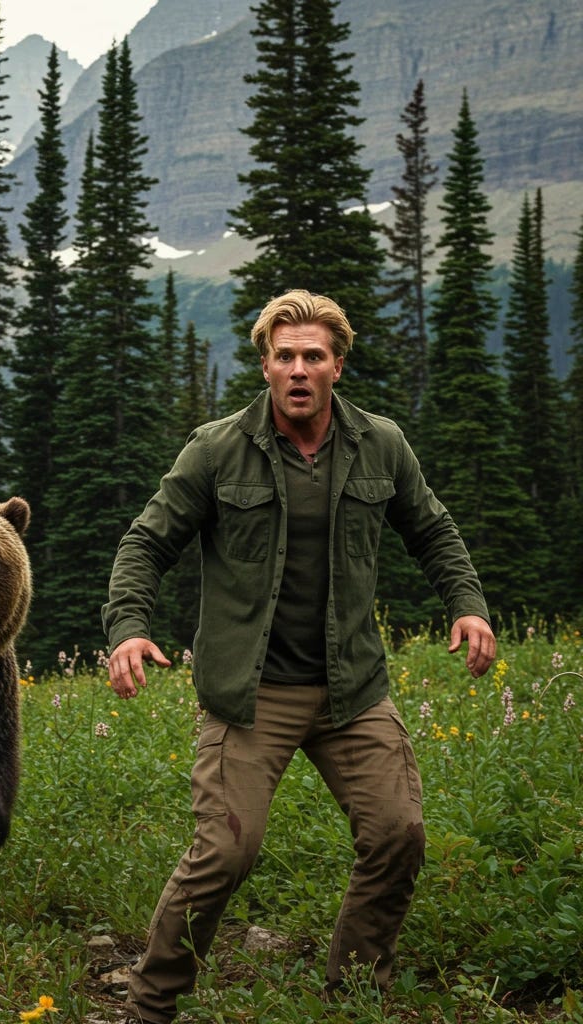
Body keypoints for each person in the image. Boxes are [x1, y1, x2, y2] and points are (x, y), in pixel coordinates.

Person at [102, 289, 495, 1023]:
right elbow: (145, 541)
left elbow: (434, 531)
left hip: (353, 688)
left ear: (337, 367)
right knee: (225, 853)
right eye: (285, 356)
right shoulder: (218, 448)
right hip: (250, 695)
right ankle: (151, 1005)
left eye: (314, 356)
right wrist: (127, 627)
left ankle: (353, 996)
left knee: (398, 833)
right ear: (266, 367)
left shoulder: (381, 443)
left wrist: (468, 606)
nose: (299, 369)